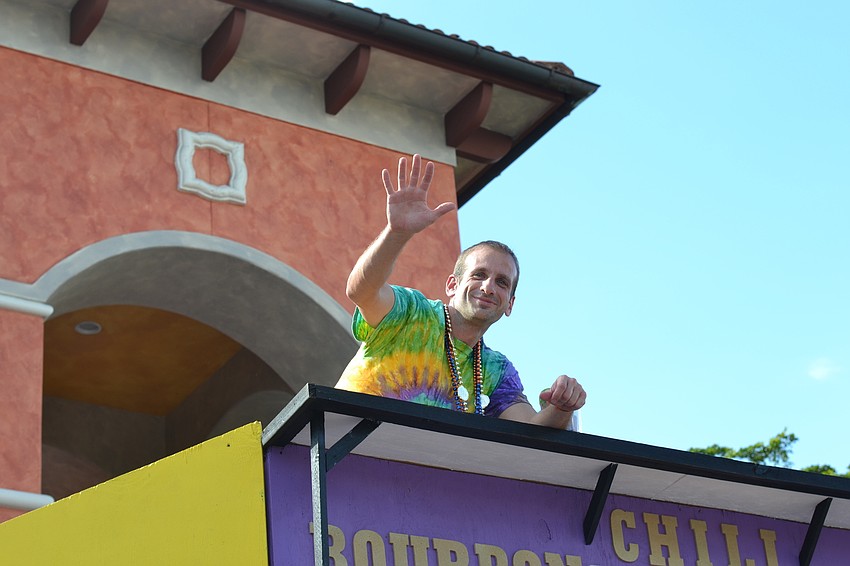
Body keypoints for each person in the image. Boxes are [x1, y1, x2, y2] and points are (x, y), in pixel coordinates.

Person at [335, 153, 586, 429]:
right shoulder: (411, 314)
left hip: (407, 469)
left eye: (502, 282)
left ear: (510, 304)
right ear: (452, 285)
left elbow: (532, 431)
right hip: (338, 455)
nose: (488, 286)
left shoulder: (495, 370)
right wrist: (396, 233)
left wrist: (563, 407)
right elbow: (361, 291)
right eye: (479, 274)